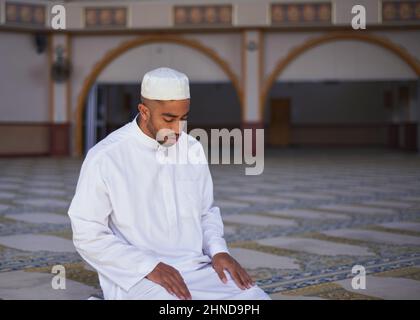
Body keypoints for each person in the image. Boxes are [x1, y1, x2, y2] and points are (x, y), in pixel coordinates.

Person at [68, 67, 271, 300]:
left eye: (183, 118)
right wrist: (149, 266)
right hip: (139, 275)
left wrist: (218, 252)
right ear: (144, 111)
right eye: (169, 119)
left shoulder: (192, 148)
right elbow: (87, 233)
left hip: (197, 269)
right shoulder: (106, 156)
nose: (177, 129)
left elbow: (206, 212)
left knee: (254, 298)